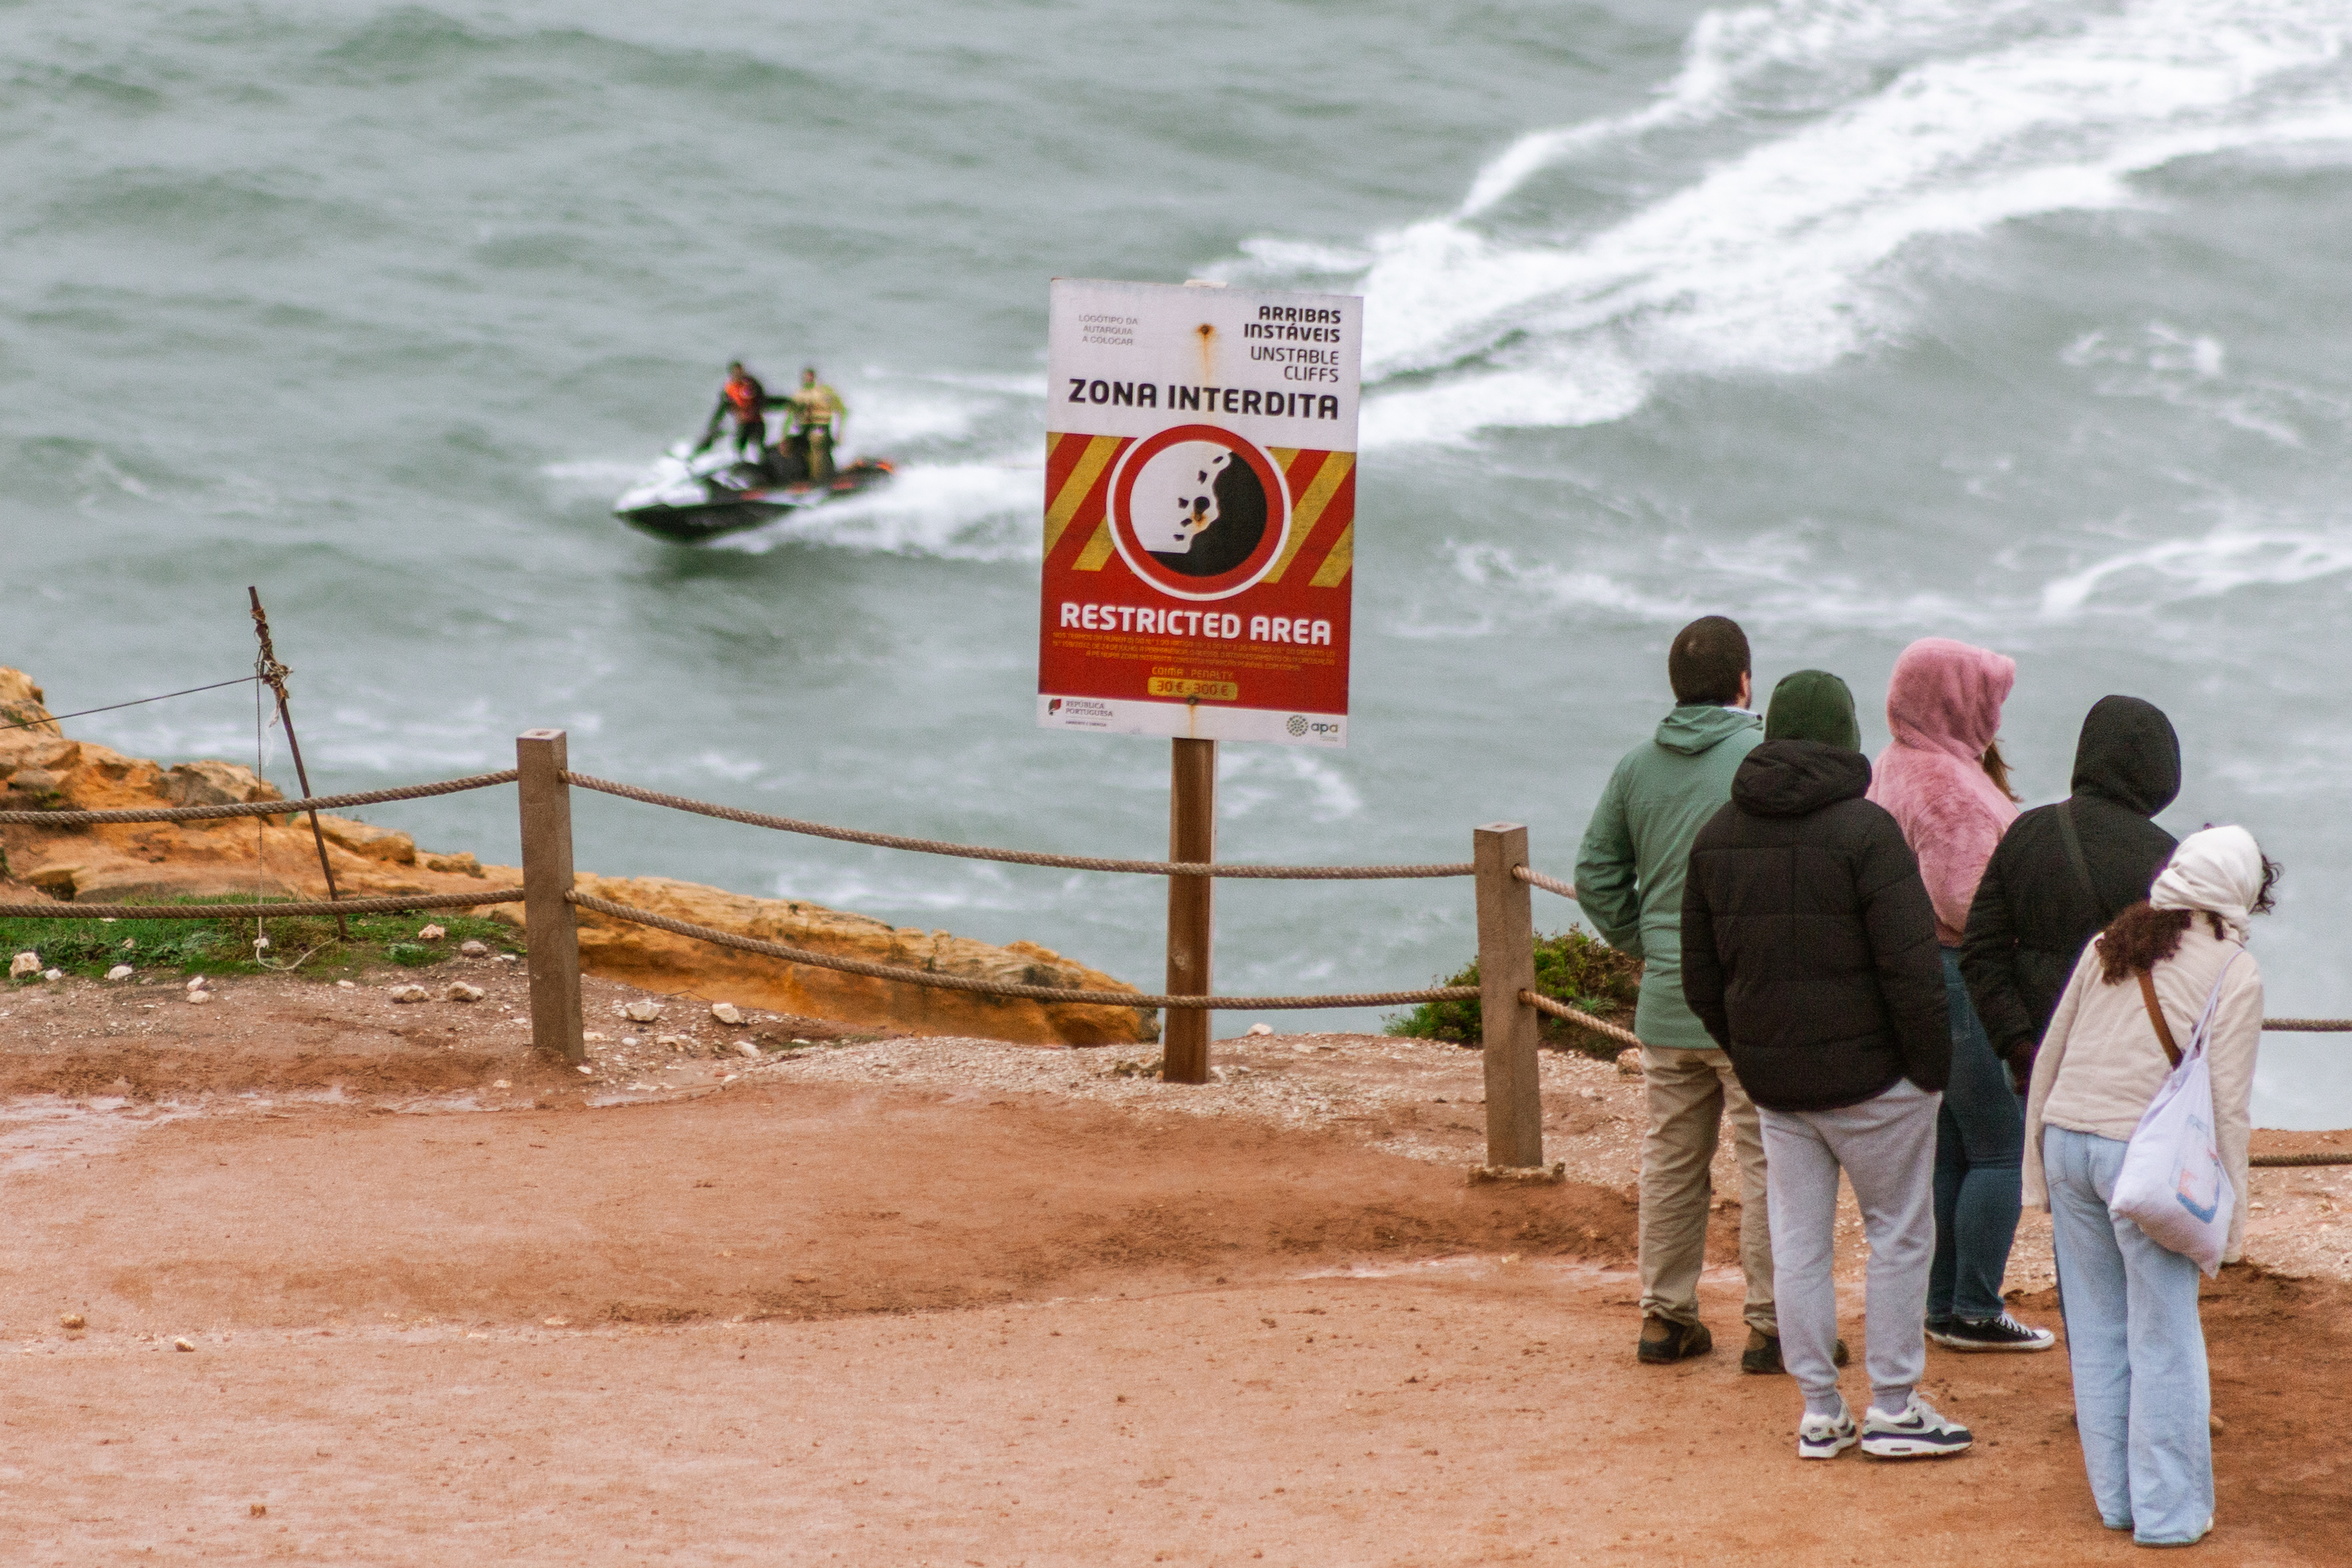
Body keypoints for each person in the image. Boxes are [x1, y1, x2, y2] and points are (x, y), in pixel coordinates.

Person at [1683, 670, 1969, 1461]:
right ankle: (1894, 1408)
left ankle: (1819, 1412)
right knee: (1899, 1237)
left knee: (1799, 1246)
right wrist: (1928, 1072)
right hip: (1878, 1085)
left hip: (1780, 1090)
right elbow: (1913, 970)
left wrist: (1754, 1056)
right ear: (1846, 735)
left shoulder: (1718, 834)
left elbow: (1702, 978)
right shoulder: (1868, 832)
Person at [2024, 827, 2272, 1547]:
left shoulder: (2109, 943)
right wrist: (2230, 1225)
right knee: (2165, 1334)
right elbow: (2227, 1106)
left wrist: (2036, 1172)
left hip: (2068, 1142)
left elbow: (2051, 1054)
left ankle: (2118, 1502)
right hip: (2143, 1163)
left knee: (2099, 1330)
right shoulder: (2234, 970)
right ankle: (2169, 1515)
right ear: (2238, 893)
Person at [1575, 616, 1782, 1372]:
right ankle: (1773, 1326)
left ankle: (1665, 1318)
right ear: (1744, 683)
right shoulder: (1765, 760)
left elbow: (1595, 875)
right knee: (1768, 1165)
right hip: (1751, 1005)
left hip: (1669, 1002)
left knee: (1670, 1162)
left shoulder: (1636, 767)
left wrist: (1652, 945)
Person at [1866, 638, 2054, 1352]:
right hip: (1964, 979)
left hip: (1918, 976)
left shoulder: (1895, 763)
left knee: (1952, 1147)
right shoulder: (1948, 788)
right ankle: (1974, 1308)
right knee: (2002, 1147)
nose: (1994, 715)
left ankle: (1942, 1304)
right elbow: (1966, 900)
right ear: (1953, 702)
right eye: (1986, 699)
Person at [1961, 696, 2182, 1084]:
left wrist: (2016, 1044)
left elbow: (1981, 951)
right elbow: (2184, 977)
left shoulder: (2028, 831)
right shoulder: (2170, 859)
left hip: (2037, 1054)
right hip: (2125, 1065)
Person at [698, 361, 771, 464]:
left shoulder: (752, 383)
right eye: (737, 372)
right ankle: (738, 463)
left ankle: (763, 464)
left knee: (758, 445)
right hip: (742, 423)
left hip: (756, 421)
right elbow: (722, 408)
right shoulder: (729, 389)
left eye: (741, 371)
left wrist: (754, 411)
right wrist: (714, 425)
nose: (740, 374)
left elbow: (762, 399)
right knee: (739, 446)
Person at [790, 367, 846, 482]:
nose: (809, 380)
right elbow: (793, 413)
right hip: (805, 429)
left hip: (821, 427)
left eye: (811, 377)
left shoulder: (825, 392)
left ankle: (824, 477)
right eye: (806, 378)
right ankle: (810, 477)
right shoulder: (799, 394)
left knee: (820, 451)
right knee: (804, 452)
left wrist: (839, 433)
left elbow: (842, 411)